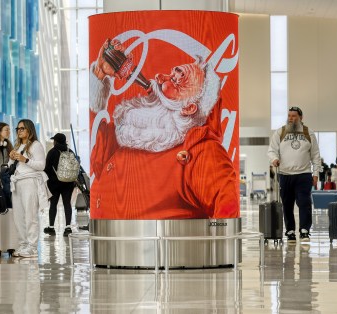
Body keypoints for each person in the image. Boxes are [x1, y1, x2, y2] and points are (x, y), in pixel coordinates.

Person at [89, 40, 239, 219]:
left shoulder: (201, 152)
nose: (159, 77)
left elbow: (227, 210)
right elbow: (97, 158)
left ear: (189, 108)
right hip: (108, 242)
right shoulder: (135, 130)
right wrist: (99, 74)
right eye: (170, 73)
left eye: (175, 81)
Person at [267, 106, 322, 243]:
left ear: (300, 118)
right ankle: (290, 230)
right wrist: (274, 159)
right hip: (285, 174)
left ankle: (304, 230)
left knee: (304, 202)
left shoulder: (309, 133)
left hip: (304, 174)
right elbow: (271, 150)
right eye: (289, 116)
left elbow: (315, 155)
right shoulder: (281, 132)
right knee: (287, 204)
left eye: (294, 116)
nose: (291, 118)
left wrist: (316, 174)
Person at [9, 119, 49, 258]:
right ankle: (23, 244)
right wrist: (11, 158)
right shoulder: (18, 146)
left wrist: (24, 159)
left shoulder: (36, 145)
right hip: (17, 181)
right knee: (18, 216)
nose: (19, 131)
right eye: (18, 129)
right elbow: (12, 166)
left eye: (22, 128)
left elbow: (41, 165)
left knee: (30, 215)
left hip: (30, 181)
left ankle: (32, 247)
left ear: (29, 130)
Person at [43, 133, 75, 237]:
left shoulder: (52, 152)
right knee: (67, 203)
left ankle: (51, 228)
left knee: (53, 204)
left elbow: (47, 168)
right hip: (68, 183)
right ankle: (68, 227)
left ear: (56, 141)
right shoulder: (70, 152)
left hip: (54, 183)